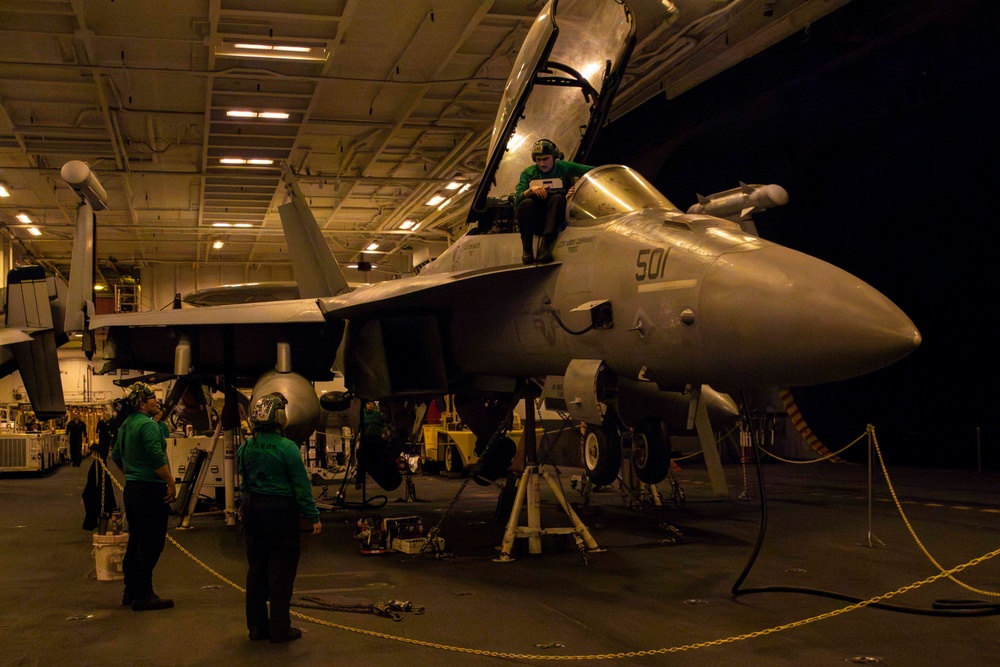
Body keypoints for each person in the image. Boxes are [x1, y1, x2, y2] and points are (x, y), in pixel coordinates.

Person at [238, 392, 321, 643]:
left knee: (257, 571)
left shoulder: (246, 446)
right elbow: (300, 486)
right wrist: (312, 516)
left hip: (252, 510)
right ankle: (280, 629)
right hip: (280, 513)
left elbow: (243, 484)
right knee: (281, 572)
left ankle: (256, 627)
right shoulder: (287, 448)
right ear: (279, 417)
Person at [111, 382, 177, 611]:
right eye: (152, 398)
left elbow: (116, 455)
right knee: (151, 543)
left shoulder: (126, 425)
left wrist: (131, 473)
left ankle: (130, 590)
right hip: (150, 490)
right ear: (141, 403)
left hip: (133, 489)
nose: (156, 401)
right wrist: (170, 482)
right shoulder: (148, 426)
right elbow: (157, 458)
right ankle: (144, 594)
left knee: (136, 541)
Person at [514, 139, 593, 264]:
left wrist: (577, 189)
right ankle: (527, 250)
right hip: (534, 219)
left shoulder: (563, 167)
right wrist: (531, 190)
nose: (542, 163)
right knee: (526, 204)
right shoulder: (528, 173)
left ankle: (546, 246)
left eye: (545, 159)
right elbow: (518, 199)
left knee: (558, 198)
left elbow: (591, 171)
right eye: (538, 160)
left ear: (554, 157)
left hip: (556, 218)